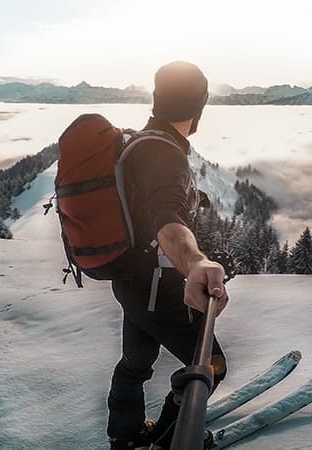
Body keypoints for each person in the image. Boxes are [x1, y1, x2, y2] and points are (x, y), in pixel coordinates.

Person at [107, 61, 230, 450]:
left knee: (135, 364)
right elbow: (166, 219)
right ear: (199, 106)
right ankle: (167, 437)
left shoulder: (140, 142)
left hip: (130, 281)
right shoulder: (165, 154)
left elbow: (153, 207)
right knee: (210, 365)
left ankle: (125, 437)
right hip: (158, 287)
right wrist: (195, 261)